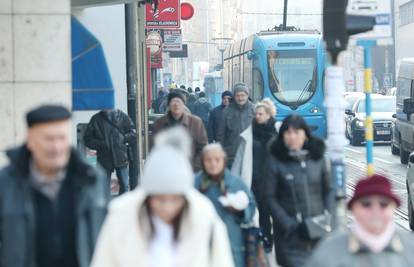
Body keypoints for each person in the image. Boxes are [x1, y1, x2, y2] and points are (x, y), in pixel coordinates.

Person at [0, 105, 109, 267]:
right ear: (30, 140)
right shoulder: (6, 184)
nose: (57, 147)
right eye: (49, 139)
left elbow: (110, 241)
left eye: (62, 138)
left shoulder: (93, 179)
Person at [91, 145, 235, 267]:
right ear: (147, 195)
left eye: (175, 200)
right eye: (160, 199)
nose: (167, 207)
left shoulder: (204, 216)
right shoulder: (121, 217)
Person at [265, 114, 334, 267]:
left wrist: (326, 216)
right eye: (288, 133)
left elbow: (329, 190)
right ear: (282, 136)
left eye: (297, 132)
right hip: (289, 236)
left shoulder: (318, 158)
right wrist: (289, 224)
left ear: (305, 135)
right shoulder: (275, 160)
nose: (292, 137)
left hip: (317, 230)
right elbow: (269, 198)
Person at [306, 174, 414, 267]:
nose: (375, 210)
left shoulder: (410, 247)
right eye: (366, 204)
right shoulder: (328, 252)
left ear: (393, 208)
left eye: (383, 204)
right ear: (353, 209)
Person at [195, 144, 256, 267]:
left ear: (224, 161)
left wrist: (240, 211)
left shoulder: (235, 182)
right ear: (203, 162)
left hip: (232, 242)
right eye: (209, 160)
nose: (213, 164)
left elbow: (251, 205)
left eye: (217, 160)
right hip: (202, 242)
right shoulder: (195, 183)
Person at [232, 98, 278, 252]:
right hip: (254, 178)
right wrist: (234, 180)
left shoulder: (277, 132)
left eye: (261, 114)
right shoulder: (248, 135)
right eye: (256, 114)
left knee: (272, 211)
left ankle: (271, 236)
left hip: (273, 179)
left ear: (269, 115)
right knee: (258, 211)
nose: (257, 116)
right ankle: (263, 238)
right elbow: (239, 158)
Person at [84, 109, 136, 195]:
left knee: (125, 185)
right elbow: (87, 139)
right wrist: (101, 144)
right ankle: (105, 206)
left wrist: (123, 138)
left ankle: (121, 206)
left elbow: (133, 133)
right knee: (103, 187)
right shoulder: (96, 119)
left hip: (120, 157)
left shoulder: (121, 116)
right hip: (104, 158)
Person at [153, 91, 208, 170]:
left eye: (179, 101)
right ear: (168, 105)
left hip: (190, 169)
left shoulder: (196, 122)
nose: (176, 105)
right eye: (173, 102)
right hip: (167, 170)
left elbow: (203, 147)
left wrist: (195, 166)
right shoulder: (160, 123)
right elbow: (155, 149)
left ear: (184, 104)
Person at [217, 83, 255, 167]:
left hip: (250, 154)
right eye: (238, 95)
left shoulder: (254, 110)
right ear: (234, 96)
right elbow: (220, 135)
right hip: (231, 155)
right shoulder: (226, 111)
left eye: (243, 95)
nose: (240, 98)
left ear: (247, 95)